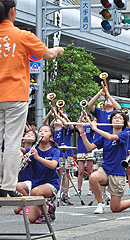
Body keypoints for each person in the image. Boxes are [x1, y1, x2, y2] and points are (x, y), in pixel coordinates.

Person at [0, 0, 64, 197]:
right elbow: (48, 54)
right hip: (16, 95)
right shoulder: (22, 36)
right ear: (12, 12)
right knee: (11, 142)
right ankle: (7, 185)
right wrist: (58, 50)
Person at [78, 111, 130, 214]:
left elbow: (111, 137)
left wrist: (95, 128)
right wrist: (82, 133)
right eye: (115, 118)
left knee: (115, 208)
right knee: (93, 177)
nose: (117, 119)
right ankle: (101, 204)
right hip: (105, 169)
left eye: (120, 118)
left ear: (124, 122)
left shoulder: (125, 134)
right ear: (111, 121)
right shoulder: (104, 137)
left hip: (118, 172)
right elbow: (89, 147)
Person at [27, 125, 61, 224]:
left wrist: (37, 158)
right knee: (32, 219)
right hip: (36, 186)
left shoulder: (55, 151)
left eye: (46, 131)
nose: (42, 133)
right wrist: (24, 160)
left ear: (51, 138)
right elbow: (24, 167)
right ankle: (47, 207)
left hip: (51, 184)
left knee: (36, 192)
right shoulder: (33, 151)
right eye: (40, 131)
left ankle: (48, 209)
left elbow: (53, 165)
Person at [14, 130, 37, 215]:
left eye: (31, 135)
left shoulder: (33, 151)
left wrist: (11, 141)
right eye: (27, 134)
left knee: (19, 187)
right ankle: (27, 198)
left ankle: (29, 202)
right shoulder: (18, 152)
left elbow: (23, 150)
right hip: (21, 182)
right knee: (16, 210)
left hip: (30, 182)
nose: (28, 135)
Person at [76, 112, 94, 196]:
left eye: (86, 118)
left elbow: (93, 125)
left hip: (89, 149)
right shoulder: (80, 126)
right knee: (81, 171)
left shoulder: (90, 126)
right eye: (84, 118)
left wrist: (87, 117)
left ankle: (91, 189)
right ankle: (79, 189)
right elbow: (76, 125)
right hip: (81, 149)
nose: (85, 118)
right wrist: (81, 116)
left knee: (90, 171)